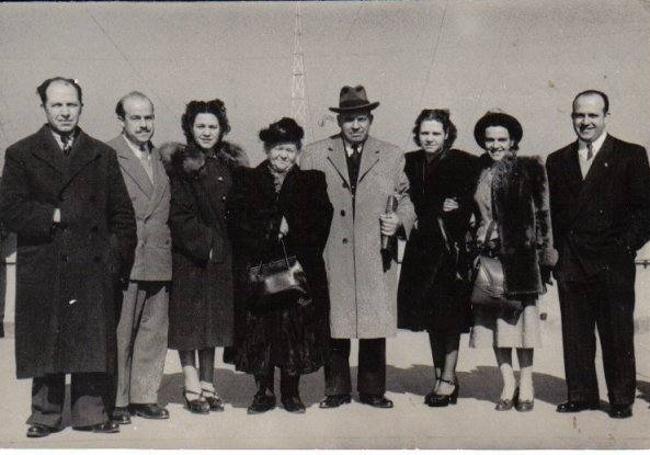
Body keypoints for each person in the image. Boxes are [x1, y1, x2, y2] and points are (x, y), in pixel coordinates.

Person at [0, 77, 137, 437]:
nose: (64, 112)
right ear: (44, 108)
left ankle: (91, 414)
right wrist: (55, 215)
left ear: (81, 107)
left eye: (71, 104)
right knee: (46, 339)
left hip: (92, 265)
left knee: (90, 340)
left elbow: (122, 214)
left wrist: (115, 259)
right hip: (44, 262)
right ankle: (45, 415)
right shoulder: (20, 153)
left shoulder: (101, 154)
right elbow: (10, 210)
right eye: (57, 105)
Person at [300, 85, 415, 409]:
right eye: (349, 119)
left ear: (370, 119)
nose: (355, 125)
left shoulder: (391, 155)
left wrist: (400, 222)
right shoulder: (314, 153)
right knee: (334, 323)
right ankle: (336, 390)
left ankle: (372, 390)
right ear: (339, 121)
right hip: (331, 252)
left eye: (361, 118)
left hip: (372, 252)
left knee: (373, 322)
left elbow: (406, 200)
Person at [546, 90, 650, 419]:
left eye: (593, 115)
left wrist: (624, 247)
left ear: (606, 116)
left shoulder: (630, 155)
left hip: (612, 261)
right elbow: (553, 215)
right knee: (575, 333)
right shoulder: (557, 159)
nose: (586, 122)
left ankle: (621, 399)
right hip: (572, 260)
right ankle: (581, 395)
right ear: (572, 117)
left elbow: (645, 210)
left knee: (616, 331)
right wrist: (555, 257)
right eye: (579, 115)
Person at [227, 117, 333, 414]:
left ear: (297, 150)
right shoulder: (247, 179)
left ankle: (291, 392)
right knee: (260, 331)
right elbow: (237, 221)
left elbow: (321, 221)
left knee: (294, 331)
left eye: (288, 149)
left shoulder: (312, 180)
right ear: (266, 149)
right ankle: (263, 391)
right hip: (259, 267)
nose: (282, 155)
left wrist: (293, 226)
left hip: (297, 269)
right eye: (276, 149)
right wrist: (274, 225)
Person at [469, 111, 556, 412]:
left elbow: (543, 215)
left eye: (501, 139)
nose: (495, 145)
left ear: (513, 140)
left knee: (523, 325)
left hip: (520, 258)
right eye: (489, 140)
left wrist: (545, 258)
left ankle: (527, 382)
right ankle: (508, 382)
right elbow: (476, 212)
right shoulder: (479, 170)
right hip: (488, 258)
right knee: (497, 324)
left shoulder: (530, 168)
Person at [167, 99, 248, 414]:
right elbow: (178, 213)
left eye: (212, 126)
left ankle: (209, 384)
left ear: (222, 129)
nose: (206, 132)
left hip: (223, 257)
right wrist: (207, 244)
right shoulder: (180, 165)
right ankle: (191, 386)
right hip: (191, 256)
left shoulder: (231, 164)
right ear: (190, 128)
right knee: (189, 323)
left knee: (214, 321)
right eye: (200, 126)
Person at [397, 109, 479, 407]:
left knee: (451, 318)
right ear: (417, 133)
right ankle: (441, 377)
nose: (429, 138)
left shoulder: (463, 162)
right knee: (431, 318)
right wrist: (432, 210)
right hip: (420, 252)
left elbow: (463, 206)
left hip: (449, 253)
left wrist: (430, 213)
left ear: (447, 134)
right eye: (424, 133)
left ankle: (447, 378)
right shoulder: (409, 161)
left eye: (435, 133)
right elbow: (407, 202)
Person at [107, 92, 171, 424]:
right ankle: (116, 400)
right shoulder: (108, 155)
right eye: (136, 118)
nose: (144, 124)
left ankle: (144, 396)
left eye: (149, 117)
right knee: (121, 332)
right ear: (121, 121)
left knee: (152, 331)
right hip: (127, 257)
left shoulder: (161, 157)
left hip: (159, 257)